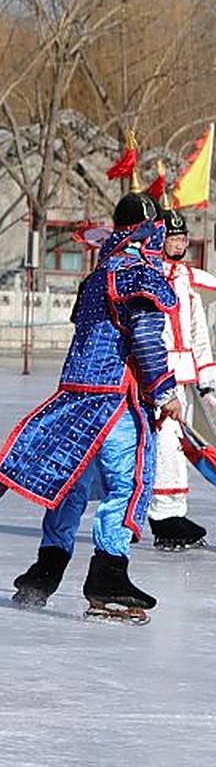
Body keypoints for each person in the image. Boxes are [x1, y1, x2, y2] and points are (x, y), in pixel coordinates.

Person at [0, 194, 177, 621]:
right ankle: (108, 575)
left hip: (77, 393)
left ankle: (44, 571)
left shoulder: (97, 274)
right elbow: (145, 341)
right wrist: (164, 390)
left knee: (70, 483)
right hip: (115, 398)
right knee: (126, 484)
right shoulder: (138, 273)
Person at [148, 207, 216, 550]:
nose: (177, 244)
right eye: (171, 238)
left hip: (186, 374)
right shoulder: (147, 275)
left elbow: (197, 332)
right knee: (165, 443)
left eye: (181, 238)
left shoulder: (187, 279)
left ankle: (175, 510)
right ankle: (163, 517)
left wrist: (206, 378)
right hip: (159, 374)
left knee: (185, 444)